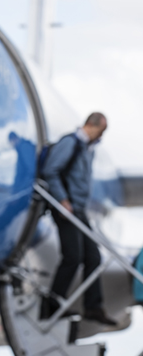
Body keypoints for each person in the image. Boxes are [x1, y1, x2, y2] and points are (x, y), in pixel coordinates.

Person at [39, 112, 116, 325]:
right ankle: (51, 304)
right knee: (73, 256)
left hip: (79, 210)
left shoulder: (87, 149)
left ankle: (93, 307)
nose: (101, 137)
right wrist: (63, 200)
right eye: (101, 131)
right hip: (66, 208)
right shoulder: (70, 143)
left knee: (93, 257)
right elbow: (51, 171)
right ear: (92, 127)